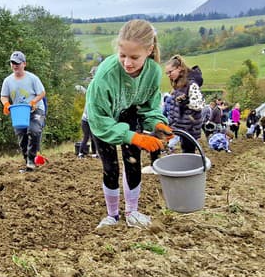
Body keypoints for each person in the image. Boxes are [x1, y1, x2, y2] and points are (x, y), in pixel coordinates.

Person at [85, 19, 173, 229]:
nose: (127, 63)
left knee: (132, 162)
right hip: (101, 118)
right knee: (110, 167)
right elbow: (100, 120)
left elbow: (149, 107)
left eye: (134, 57)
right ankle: (112, 215)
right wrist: (133, 136)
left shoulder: (152, 72)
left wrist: (158, 124)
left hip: (128, 111)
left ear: (149, 50)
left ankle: (132, 212)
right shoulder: (105, 74)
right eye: (122, 55)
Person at [0, 51, 46, 171]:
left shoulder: (32, 78)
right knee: (22, 137)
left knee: (34, 131)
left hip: (35, 109)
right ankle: (28, 162)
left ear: (24, 64)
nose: (15, 65)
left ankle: (31, 159)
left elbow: (42, 93)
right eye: (13, 63)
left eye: (18, 63)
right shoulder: (8, 81)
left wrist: (33, 102)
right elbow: (4, 96)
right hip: (19, 111)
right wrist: (6, 105)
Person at [163, 54, 204, 153]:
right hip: (182, 127)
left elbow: (198, 105)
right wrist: (170, 124)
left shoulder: (191, 84)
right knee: (185, 149)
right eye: (166, 73)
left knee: (189, 151)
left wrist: (186, 102)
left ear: (179, 68)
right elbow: (174, 109)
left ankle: (192, 167)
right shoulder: (178, 85)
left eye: (170, 72)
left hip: (190, 128)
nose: (169, 75)